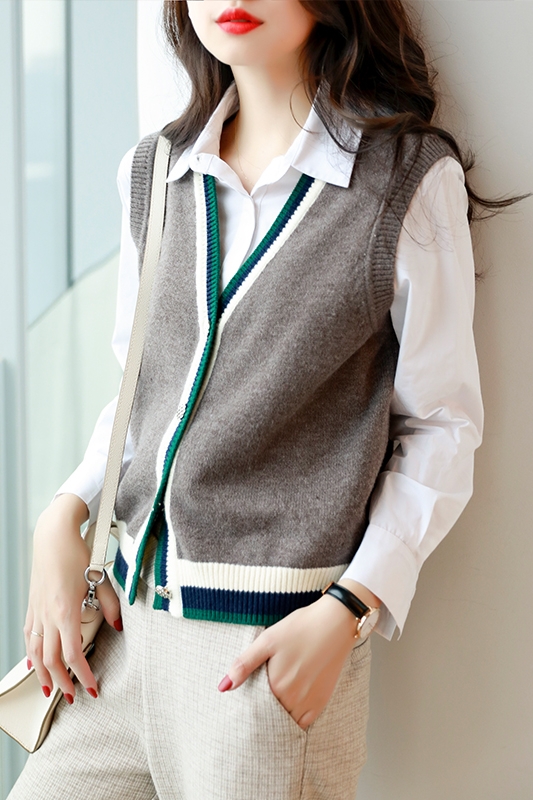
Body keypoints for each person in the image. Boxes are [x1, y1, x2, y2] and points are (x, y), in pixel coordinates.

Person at [11, 1, 499, 798]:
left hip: (259, 657)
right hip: (121, 638)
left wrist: (348, 609)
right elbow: (141, 394)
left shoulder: (402, 181)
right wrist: (62, 513)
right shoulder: (155, 171)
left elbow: (441, 427)